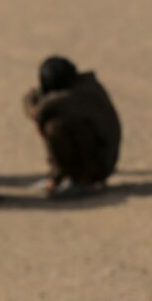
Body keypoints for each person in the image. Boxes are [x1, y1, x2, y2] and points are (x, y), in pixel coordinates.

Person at [23, 55, 122, 198]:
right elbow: (30, 97)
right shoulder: (75, 86)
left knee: (55, 128)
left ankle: (83, 181)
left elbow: (43, 107)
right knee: (53, 122)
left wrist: (37, 118)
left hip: (101, 163)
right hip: (97, 157)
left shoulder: (80, 93)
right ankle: (60, 176)